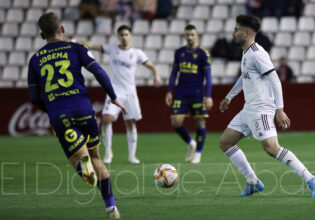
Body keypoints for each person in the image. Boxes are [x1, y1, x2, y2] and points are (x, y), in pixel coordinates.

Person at [28, 12, 125, 218]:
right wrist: (114, 97)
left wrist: (50, 109)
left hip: (60, 115)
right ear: (62, 29)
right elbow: (99, 72)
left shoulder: (35, 60)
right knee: (97, 157)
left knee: (81, 162)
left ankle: (84, 170)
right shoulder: (76, 48)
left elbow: (34, 96)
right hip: (84, 109)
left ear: (41, 34)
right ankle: (111, 208)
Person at [219, 15, 315, 197]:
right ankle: (252, 181)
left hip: (261, 110)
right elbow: (245, 77)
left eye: (236, 29)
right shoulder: (246, 53)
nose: (233, 32)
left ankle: (310, 178)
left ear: (247, 32)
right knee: (226, 142)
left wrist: (279, 110)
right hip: (248, 109)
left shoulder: (258, 54)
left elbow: (274, 79)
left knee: (271, 148)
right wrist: (229, 97)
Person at [78, 25, 161, 164]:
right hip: (115, 91)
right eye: (121, 34)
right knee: (106, 119)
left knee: (130, 123)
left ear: (131, 36)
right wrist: (74, 41)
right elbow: (92, 45)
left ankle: (132, 156)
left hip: (130, 92)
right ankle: (108, 152)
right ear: (118, 36)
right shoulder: (112, 49)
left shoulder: (137, 53)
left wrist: (156, 76)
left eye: (126, 34)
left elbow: (151, 66)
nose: (124, 37)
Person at [165, 24, 213, 164]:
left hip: (197, 93)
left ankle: (198, 153)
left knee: (199, 122)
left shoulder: (203, 53)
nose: (190, 37)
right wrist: (169, 91)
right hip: (181, 92)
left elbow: (208, 76)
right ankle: (191, 142)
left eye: (192, 34)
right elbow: (174, 73)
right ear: (184, 36)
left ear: (196, 35)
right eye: (187, 35)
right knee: (175, 122)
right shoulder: (179, 52)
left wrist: (208, 95)